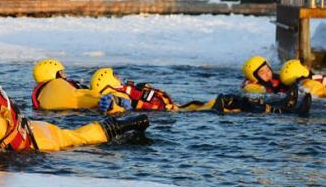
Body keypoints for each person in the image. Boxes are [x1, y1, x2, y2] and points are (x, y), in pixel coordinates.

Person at [0, 61, 150, 152]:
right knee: (73, 135)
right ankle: (122, 123)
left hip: (39, 142)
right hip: (32, 126)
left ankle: (120, 127)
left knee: (77, 138)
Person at [90, 67, 311, 115]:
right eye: (114, 75)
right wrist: (114, 106)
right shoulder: (120, 95)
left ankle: (285, 106)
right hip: (185, 114)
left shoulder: (126, 89)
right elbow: (118, 106)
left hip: (185, 109)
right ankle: (285, 110)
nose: (118, 76)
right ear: (108, 80)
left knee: (233, 102)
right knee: (231, 101)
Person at [31, 59, 98, 110]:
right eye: (61, 72)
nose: (65, 75)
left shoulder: (41, 93)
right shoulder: (57, 84)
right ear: (51, 74)